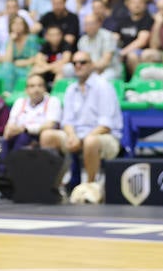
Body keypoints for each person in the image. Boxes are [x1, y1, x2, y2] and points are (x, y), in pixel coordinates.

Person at [41, 50, 123, 197]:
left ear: (91, 65)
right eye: (75, 63)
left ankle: (90, 188)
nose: (78, 66)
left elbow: (106, 125)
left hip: (105, 137)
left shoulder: (103, 87)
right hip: (77, 136)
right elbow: (67, 121)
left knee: (90, 142)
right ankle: (52, 187)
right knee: (48, 136)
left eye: (83, 62)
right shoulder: (71, 89)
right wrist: (72, 136)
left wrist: (82, 139)